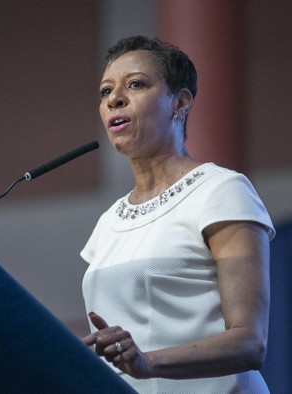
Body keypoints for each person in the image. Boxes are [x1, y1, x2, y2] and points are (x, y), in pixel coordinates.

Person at [79, 36, 276, 393]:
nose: (114, 99)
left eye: (136, 84)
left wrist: (147, 362)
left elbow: (250, 343)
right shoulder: (107, 223)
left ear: (180, 102)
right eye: (105, 91)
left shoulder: (220, 191)